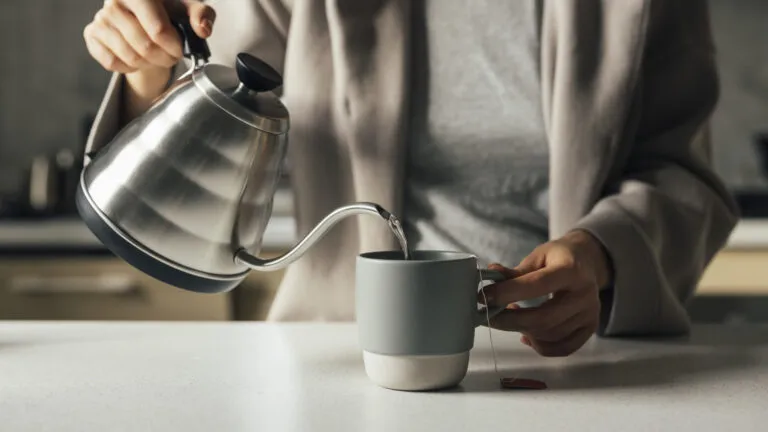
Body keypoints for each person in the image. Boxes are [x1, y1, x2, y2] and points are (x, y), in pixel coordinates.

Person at [83, 0, 739, 357]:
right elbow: (210, 90)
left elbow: (683, 173)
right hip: (343, 357)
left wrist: (601, 257)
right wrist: (147, 62)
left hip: (565, 363)